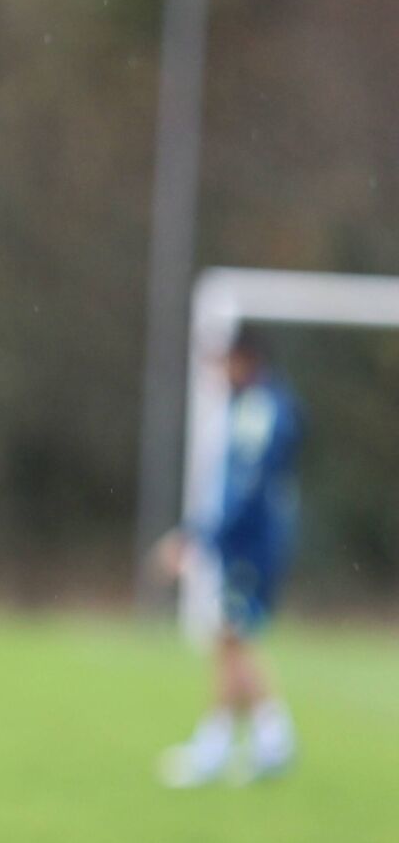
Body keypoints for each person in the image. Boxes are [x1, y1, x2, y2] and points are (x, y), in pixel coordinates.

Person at [153, 324, 304, 787]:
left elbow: (246, 485)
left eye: (227, 360)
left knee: (231, 638)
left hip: (251, 546)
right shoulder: (260, 405)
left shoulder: (260, 408)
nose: (220, 371)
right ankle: (258, 741)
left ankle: (244, 744)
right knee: (230, 640)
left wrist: (197, 536)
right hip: (250, 542)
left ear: (247, 359)